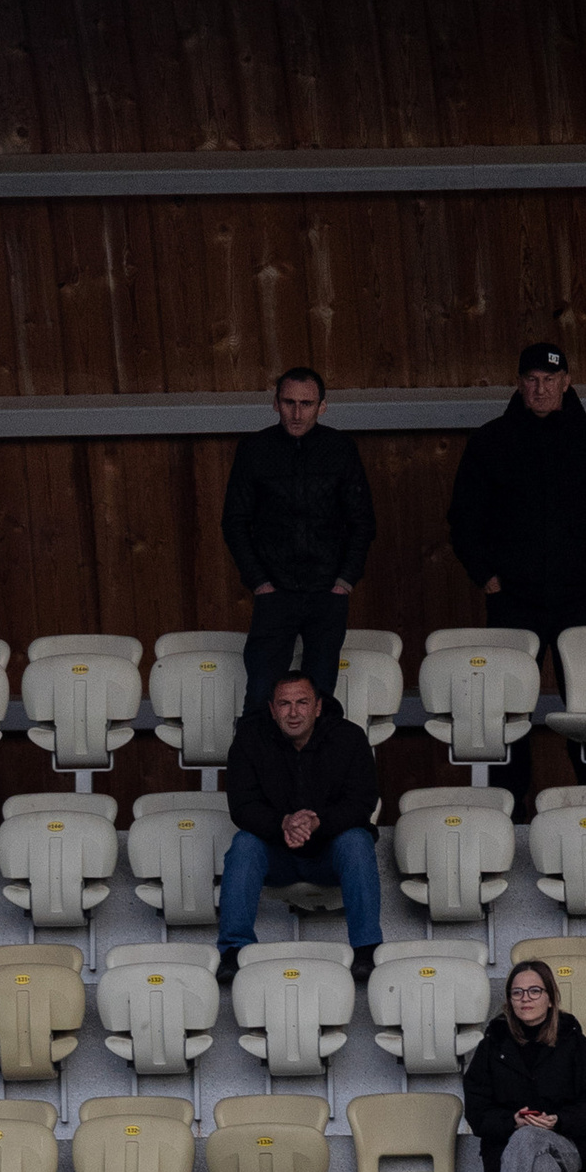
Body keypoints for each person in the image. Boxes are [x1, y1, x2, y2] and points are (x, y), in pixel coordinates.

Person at [446, 341, 586, 810]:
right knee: (507, 709)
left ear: (567, 382)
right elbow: (463, 518)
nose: (540, 388)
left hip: (582, 598)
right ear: (518, 384)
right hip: (513, 599)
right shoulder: (491, 441)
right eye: (531, 380)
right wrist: (486, 576)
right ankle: (508, 807)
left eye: (549, 380)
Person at [222, 362, 376, 718]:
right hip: (275, 591)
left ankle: (316, 774)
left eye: (306, 404)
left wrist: (345, 581)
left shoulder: (340, 449)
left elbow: (362, 521)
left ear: (322, 406)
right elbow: (234, 521)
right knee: (261, 695)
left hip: (328, 591)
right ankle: (258, 774)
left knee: (319, 699)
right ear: (275, 403)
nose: (296, 412)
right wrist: (259, 582)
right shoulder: (254, 450)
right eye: (288, 402)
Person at [218, 669, 383, 981]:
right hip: (277, 853)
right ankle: (233, 950)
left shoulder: (349, 738)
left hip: (329, 853)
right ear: (271, 708)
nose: (293, 712)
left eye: (302, 702)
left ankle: (366, 949)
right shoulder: (250, 740)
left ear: (318, 707)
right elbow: (242, 806)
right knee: (244, 844)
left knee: (357, 840)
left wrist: (317, 821)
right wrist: (283, 822)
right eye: (284, 704)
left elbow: (362, 803)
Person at [462, 952, 586, 1172]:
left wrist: (559, 1121)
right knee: (541, 1167)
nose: (525, 999)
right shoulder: (493, 1045)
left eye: (534, 991)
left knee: (532, 1134)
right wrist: (510, 1122)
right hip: (507, 1154)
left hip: (566, 1146)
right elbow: (476, 1110)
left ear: (551, 998)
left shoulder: (572, 1041)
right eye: (517, 992)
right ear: (509, 1000)